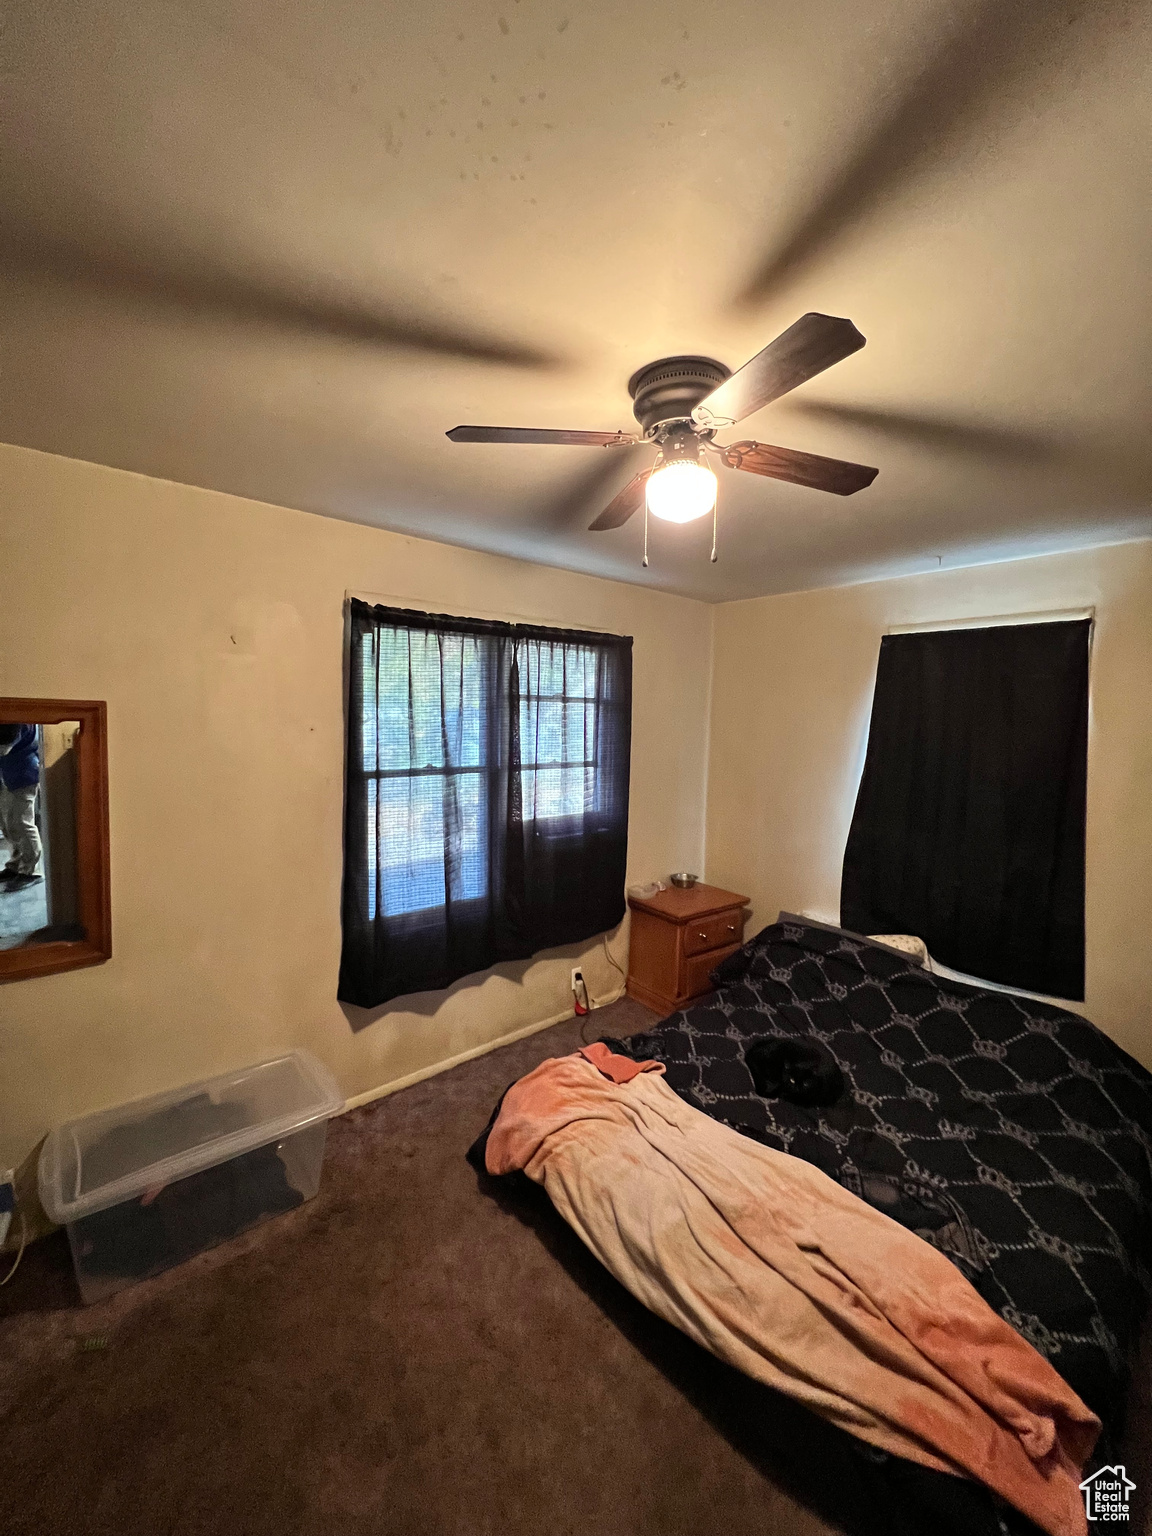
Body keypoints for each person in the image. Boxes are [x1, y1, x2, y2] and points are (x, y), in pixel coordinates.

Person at [0, 724, 43, 888]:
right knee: (8, 825)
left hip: (24, 775)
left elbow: (3, 749)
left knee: (21, 823)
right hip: (8, 775)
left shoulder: (17, 720)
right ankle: (16, 866)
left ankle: (32, 871)